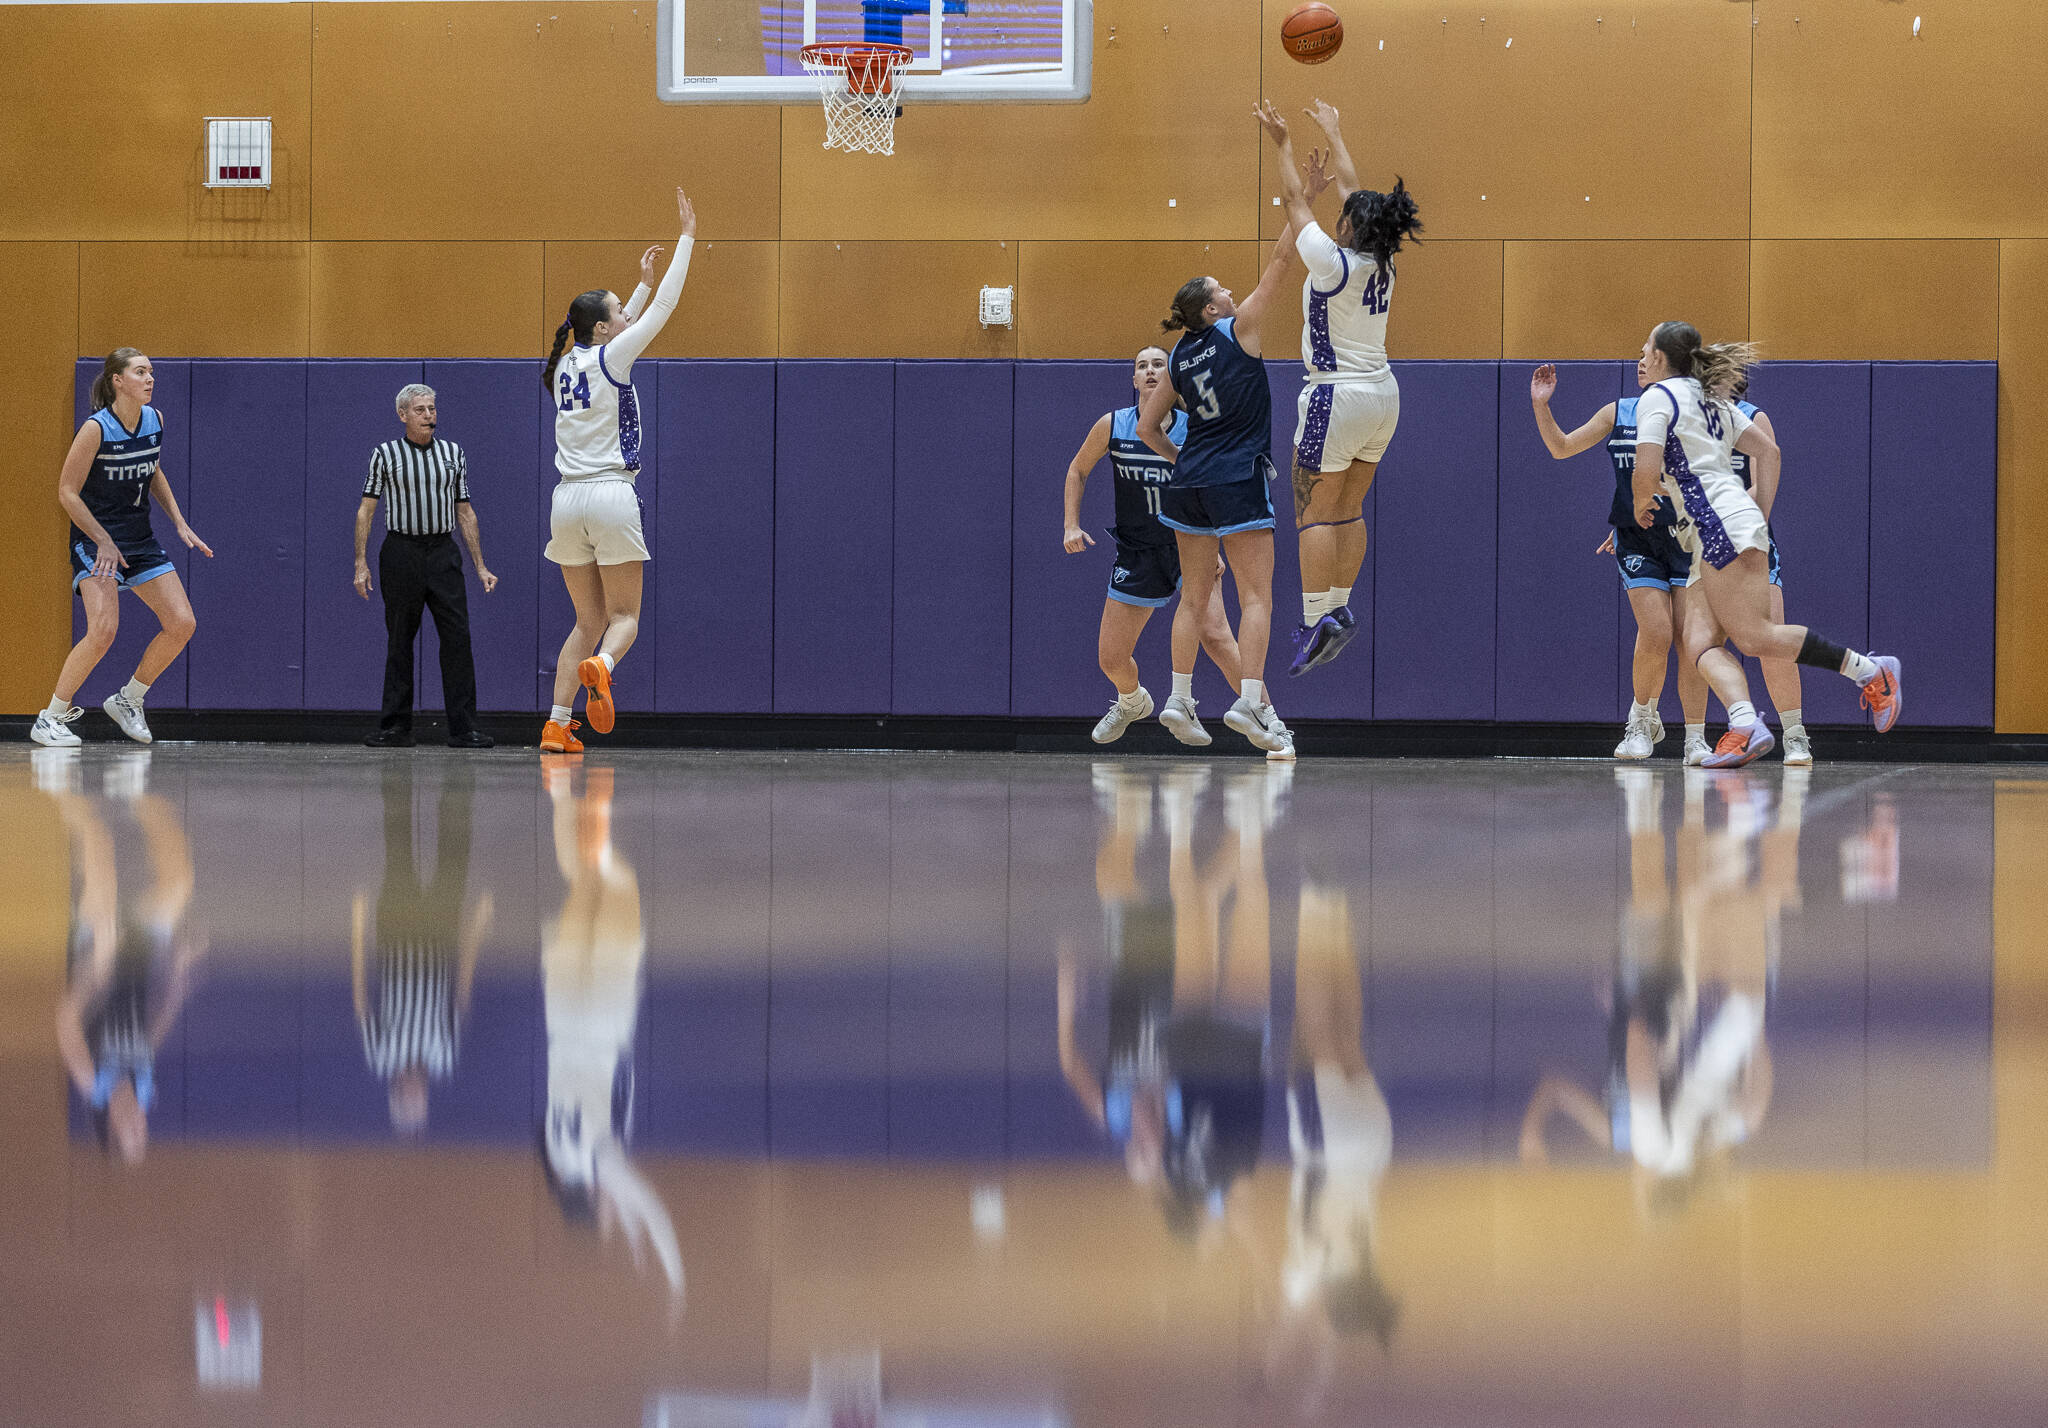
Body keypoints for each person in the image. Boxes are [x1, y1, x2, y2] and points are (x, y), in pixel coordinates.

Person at [1630, 323, 1901, 768]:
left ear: (1660, 358)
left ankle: (1870, 671)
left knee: (1755, 637)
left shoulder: (1658, 398)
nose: (1641, 358)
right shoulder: (1711, 400)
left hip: (1718, 524)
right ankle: (1744, 723)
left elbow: (1645, 471)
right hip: (1726, 523)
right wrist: (1759, 515)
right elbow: (1769, 452)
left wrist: (1644, 502)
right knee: (1698, 643)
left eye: (1645, 350)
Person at [1139, 123, 1306, 760]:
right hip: (1237, 476)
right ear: (1212, 309)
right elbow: (1282, 262)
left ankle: (1179, 696)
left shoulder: (1178, 357)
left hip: (1190, 485)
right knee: (1256, 594)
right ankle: (1249, 697)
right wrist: (1301, 202)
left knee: (1196, 595)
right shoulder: (1241, 330)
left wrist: (1186, 465)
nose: (1231, 290)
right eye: (1220, 290)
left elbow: (1150, 427)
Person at [1266, 99, 1422, 678]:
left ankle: (1314, 619)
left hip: (1337, 396)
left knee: (1312, 515)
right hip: (1384, 396)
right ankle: (1338, 607)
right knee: (1349, 508)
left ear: (1351, 227)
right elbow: (1358, 197)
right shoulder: (1383, 263)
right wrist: (1335, 130)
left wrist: (1283, 143)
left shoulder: (1332, 265)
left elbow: (1294, 203)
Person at [539, 196, 695, 753]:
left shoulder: (563, 364)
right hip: (610, 494)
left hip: (565, 502)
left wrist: (639, 286)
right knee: (624, 617)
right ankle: (603, 667)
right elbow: (663, 311)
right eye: (619, 313)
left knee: (586, 619)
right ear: (605, 328)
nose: (628, 316)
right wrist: (686, 238)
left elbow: (616, 323)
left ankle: (557, 724)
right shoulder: (615, 356)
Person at [538, 763, 682, 1300]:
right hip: (563, 1011)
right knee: (585, 879)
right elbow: (622, 1197)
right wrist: (632, 1238)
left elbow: (645, 1202)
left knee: (618, 881)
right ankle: (559, 793)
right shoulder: (558, 1153)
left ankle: (594, 816)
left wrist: (676, 1278)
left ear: (593, 1200)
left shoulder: (597, 1158)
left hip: (603, 1016)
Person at [1529, 362, 1712, 764]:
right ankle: (1641, 720)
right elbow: (1561, 448)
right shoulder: (1619, 412)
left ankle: (1695, 738)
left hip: (1686, 537)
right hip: (1637, 538)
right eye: (1641, 355)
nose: (1643, 362)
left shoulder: (1696, 415)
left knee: (1690, 640)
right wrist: (1542, 406)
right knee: (1657, 630)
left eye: (1654, 355)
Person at [1062, 346, 1243, 744]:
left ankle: (1268, 719)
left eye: (1158, 364)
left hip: (1189, 545)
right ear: (1133, 380)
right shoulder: (1112, 425)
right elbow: (1077, 469)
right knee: (1111, 658)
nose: (1149, 371)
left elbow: (1211, 490)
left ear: (1172, 376)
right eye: (1141, 366)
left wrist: (1218, 545)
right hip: (1137, 551)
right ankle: (1131, 702)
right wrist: (1071, 524)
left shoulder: (1193, 428)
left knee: (1217, 636)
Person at [32, 349, 212, 748]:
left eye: (151, 372)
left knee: (182, 623)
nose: (150, 378)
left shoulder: (154, 419)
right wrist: (102, 540)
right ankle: (51, 717)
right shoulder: (95, 429)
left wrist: (179, 521)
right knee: (103, 630)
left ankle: (129, 699)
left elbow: (153, 470)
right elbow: (66, 492)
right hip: (95, 539)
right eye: (140, 372)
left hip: (138, 537)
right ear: (118, 380)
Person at [51, 758, 204, 1165]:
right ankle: (136, 791)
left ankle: (63, 785)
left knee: (100, 856)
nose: (140, 1125)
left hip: (98, 951)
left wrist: (95, 972)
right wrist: (178, 972)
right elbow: (153, 1028)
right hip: (139, 954)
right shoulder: (145, 1085)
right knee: (180, 879)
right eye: (143, 1133)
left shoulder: (93, 1083)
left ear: (113, 1130)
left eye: (131, 1134)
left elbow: (67, 1021)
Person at [351, 764, 492, 1136]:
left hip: (395, 935)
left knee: (398, 852)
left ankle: (396, 784)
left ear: (395, 1092)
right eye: (418, 1099)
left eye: (407, 1098)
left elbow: (362, 997)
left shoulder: (381, 1057)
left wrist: (357, 928)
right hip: (441, 934)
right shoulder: (445, 1057)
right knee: (453, 856)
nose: (415, 1091)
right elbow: (461, 991)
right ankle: (457, 789)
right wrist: (475, 928)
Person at [355, 383, 498, 748]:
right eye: (420, 410)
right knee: (400, 639)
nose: (429, 416)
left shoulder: (453, 454)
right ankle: (395, 728)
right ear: (402, 415)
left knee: (457, 639)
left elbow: (465, 511)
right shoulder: (384, 455)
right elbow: (366, 511)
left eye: (432, 409)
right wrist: (361, 563)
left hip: (442, 552)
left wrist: (480, 565)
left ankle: (464, 729)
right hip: (401, 552)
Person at [1724, 377, 1811, 766]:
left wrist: (1721, 511)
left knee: (1770, 638)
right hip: (1696, 544)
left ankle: (1794, 735)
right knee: (1698, 642)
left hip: (1747, 540)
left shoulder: (1752, 418)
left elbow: (1761, 486)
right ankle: (1699, 735)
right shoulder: (1688, 420)